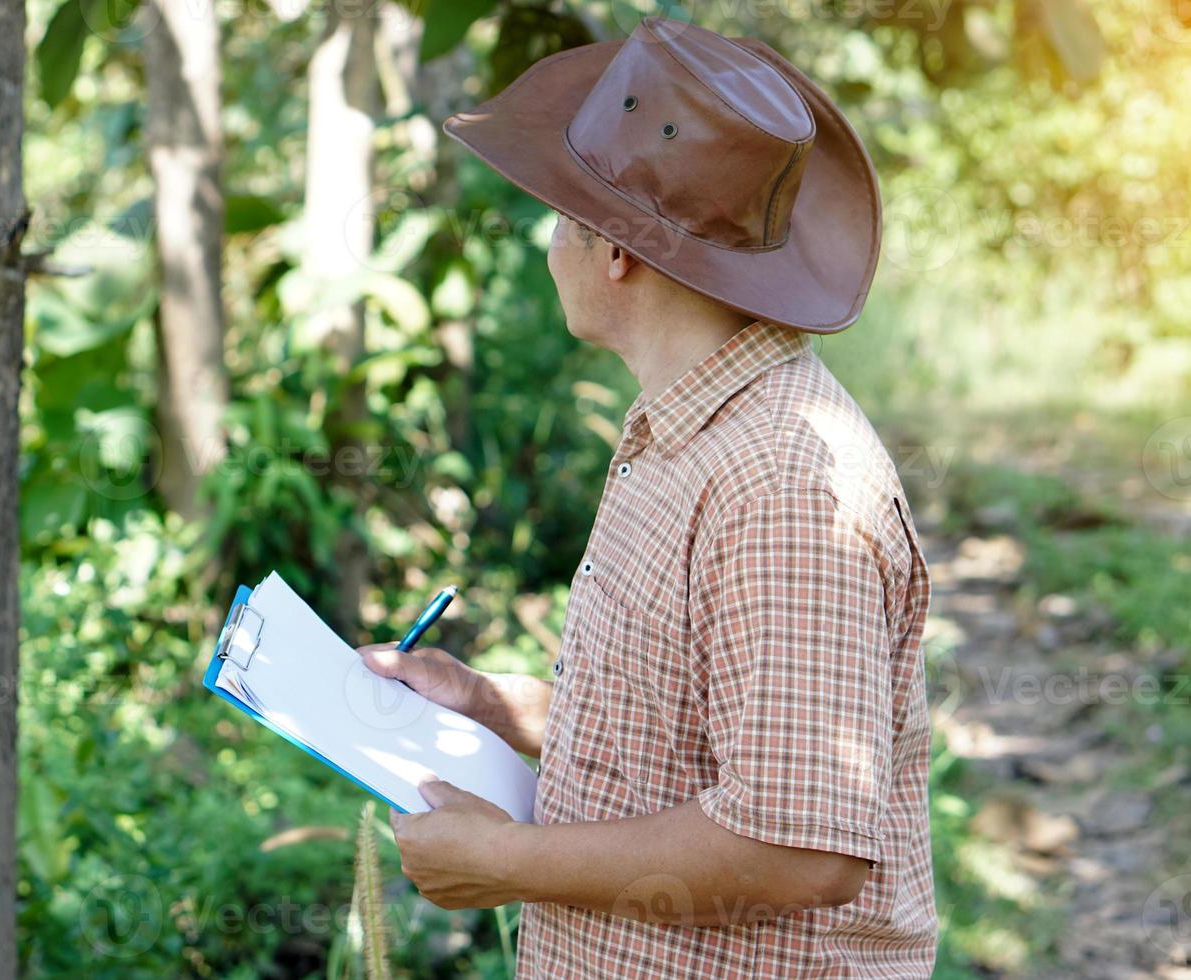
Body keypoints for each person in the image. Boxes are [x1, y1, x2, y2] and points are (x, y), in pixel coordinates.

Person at [358, 17, 936, 978]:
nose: (552, 247)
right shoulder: (681, 433)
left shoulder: (780, 485)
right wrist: (487, 704)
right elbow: (690, 740)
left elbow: (802, 849)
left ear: (616, 252)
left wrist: (508, 864)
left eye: (561, 216)